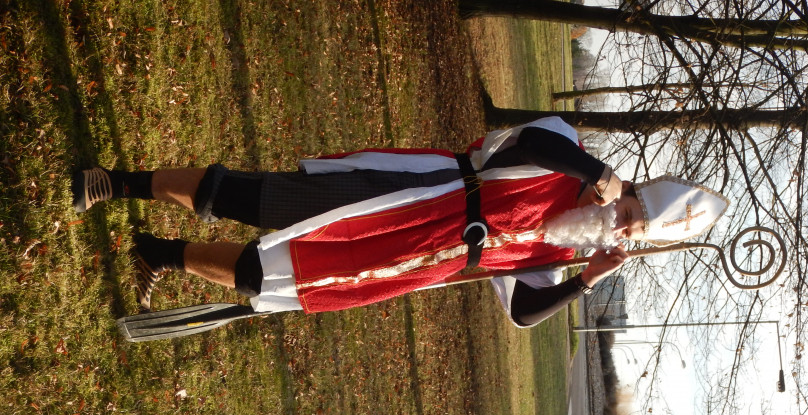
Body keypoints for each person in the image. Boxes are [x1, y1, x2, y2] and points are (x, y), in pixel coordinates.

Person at [73, 117, 729, 327]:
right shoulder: (567, 151)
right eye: (631, 212)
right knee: (254, 199)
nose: (620, 226)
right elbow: (529, 144)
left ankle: (159, 254)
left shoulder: (562, 251)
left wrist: (584, 280)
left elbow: (526, 312)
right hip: (401, 197)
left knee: (270, 278)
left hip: (404, 262)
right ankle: (118, 183)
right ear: (632, 188)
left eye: (633, 231)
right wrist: (596, 170)